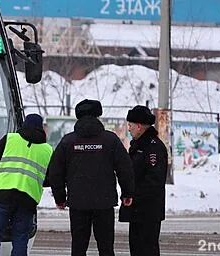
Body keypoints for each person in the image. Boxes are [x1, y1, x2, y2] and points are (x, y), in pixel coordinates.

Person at [47, 99, 134, 256]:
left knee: (78, 248)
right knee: (106, 248)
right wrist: (127, 193)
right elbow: (125, 168)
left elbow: (55, 172)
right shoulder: (110, 140)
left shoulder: (68, 141)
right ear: (98, 116)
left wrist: (60, 198)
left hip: (78, 204)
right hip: (104, 203)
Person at [0, 113, 53, 256]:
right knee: (21, 239)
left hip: (2, 196)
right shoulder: (47, 150)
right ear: (41, 129)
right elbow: (49, 179)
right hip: (27, 200)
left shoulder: (10, 139)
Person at [119, 105, 168, 256]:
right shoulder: (139, 145)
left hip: (148, 211)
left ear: (139, 126)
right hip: (137, 210)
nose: (129, 129)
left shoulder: (153, 148)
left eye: (130, 125)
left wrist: (134, 196)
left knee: (147, 249)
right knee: (137, 248)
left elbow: (154, 181)